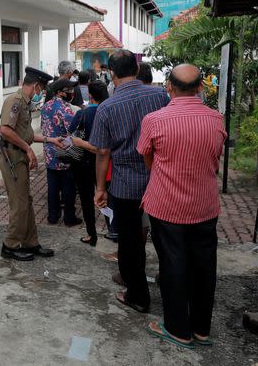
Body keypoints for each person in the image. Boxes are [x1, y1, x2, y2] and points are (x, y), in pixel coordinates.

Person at [138, 64, 226, 349]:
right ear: (201, 87)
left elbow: (147, 158)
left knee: (173, 265)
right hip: (204, 205)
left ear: (169, 88)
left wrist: (166, 172)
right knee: (204, 267)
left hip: (166, 206)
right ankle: (201, 329)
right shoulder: (216, 119)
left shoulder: (154, 120)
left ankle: (177, 329)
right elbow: (215, 157)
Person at [88, 50, 169, 314]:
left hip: (125, 182)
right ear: (136, 68)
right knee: (165, 236)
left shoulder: (106, 108)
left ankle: (138, 296)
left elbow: (102, 153)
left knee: (131, 241)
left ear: (112, 73)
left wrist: (100, 189)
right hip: (160, 176)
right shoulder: (159, 96)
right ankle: (172, 290)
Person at [0, 67, 64, 261]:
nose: (41, 93)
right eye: (41, 89)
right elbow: (5, 130)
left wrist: (51, 140)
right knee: (19, 204)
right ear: (35, 86)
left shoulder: (24, 103)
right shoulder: (16, 101)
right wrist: (27, 149)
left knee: (26, 201)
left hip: (19, 156)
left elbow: (25, 134)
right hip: (12, 157)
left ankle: (30, 242)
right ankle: (10, 245)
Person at [68, 80, 110, 246]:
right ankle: (113, 230)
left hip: (84, 161)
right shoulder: (109, 110)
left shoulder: (83, 113)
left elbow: (71, 132)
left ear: (90, 96)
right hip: (106, 161)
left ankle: (92, 235)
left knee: (86, 199)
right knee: (107, 196)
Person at [41, 79, 82, 227]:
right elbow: (73, 130)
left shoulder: (46, 106)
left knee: (52, 185)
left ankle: (53, 216)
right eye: (69, 89)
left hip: (49, 151)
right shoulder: (65, 108)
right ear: (59, 92)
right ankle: (69, 218)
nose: (72, 92)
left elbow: (44, 127)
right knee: (68, 186)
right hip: (64, 151)